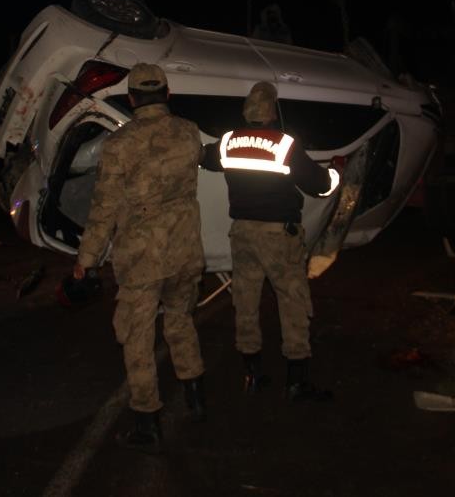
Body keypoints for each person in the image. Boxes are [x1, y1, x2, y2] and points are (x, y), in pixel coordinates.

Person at [72, 63, 207, 453]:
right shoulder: (188, 132)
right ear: (166, 94)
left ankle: (147, 420)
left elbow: (104, 209)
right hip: (184, 251)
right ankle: (196, 397)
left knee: (137, 336)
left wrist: (87, 259)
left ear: (131, 99)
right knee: (181, 320)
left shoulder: (119, 145)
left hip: (142, 259)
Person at [202, 81, 339, 402]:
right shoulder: (285, 144)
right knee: (292, 301)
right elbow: (319, 186)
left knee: (245, 302)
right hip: (279, 236)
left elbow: (204, 159)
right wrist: (336, 173)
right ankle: (296, 381)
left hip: (243, 234)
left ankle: (252, 374)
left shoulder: (229, 142)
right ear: (273, 113)